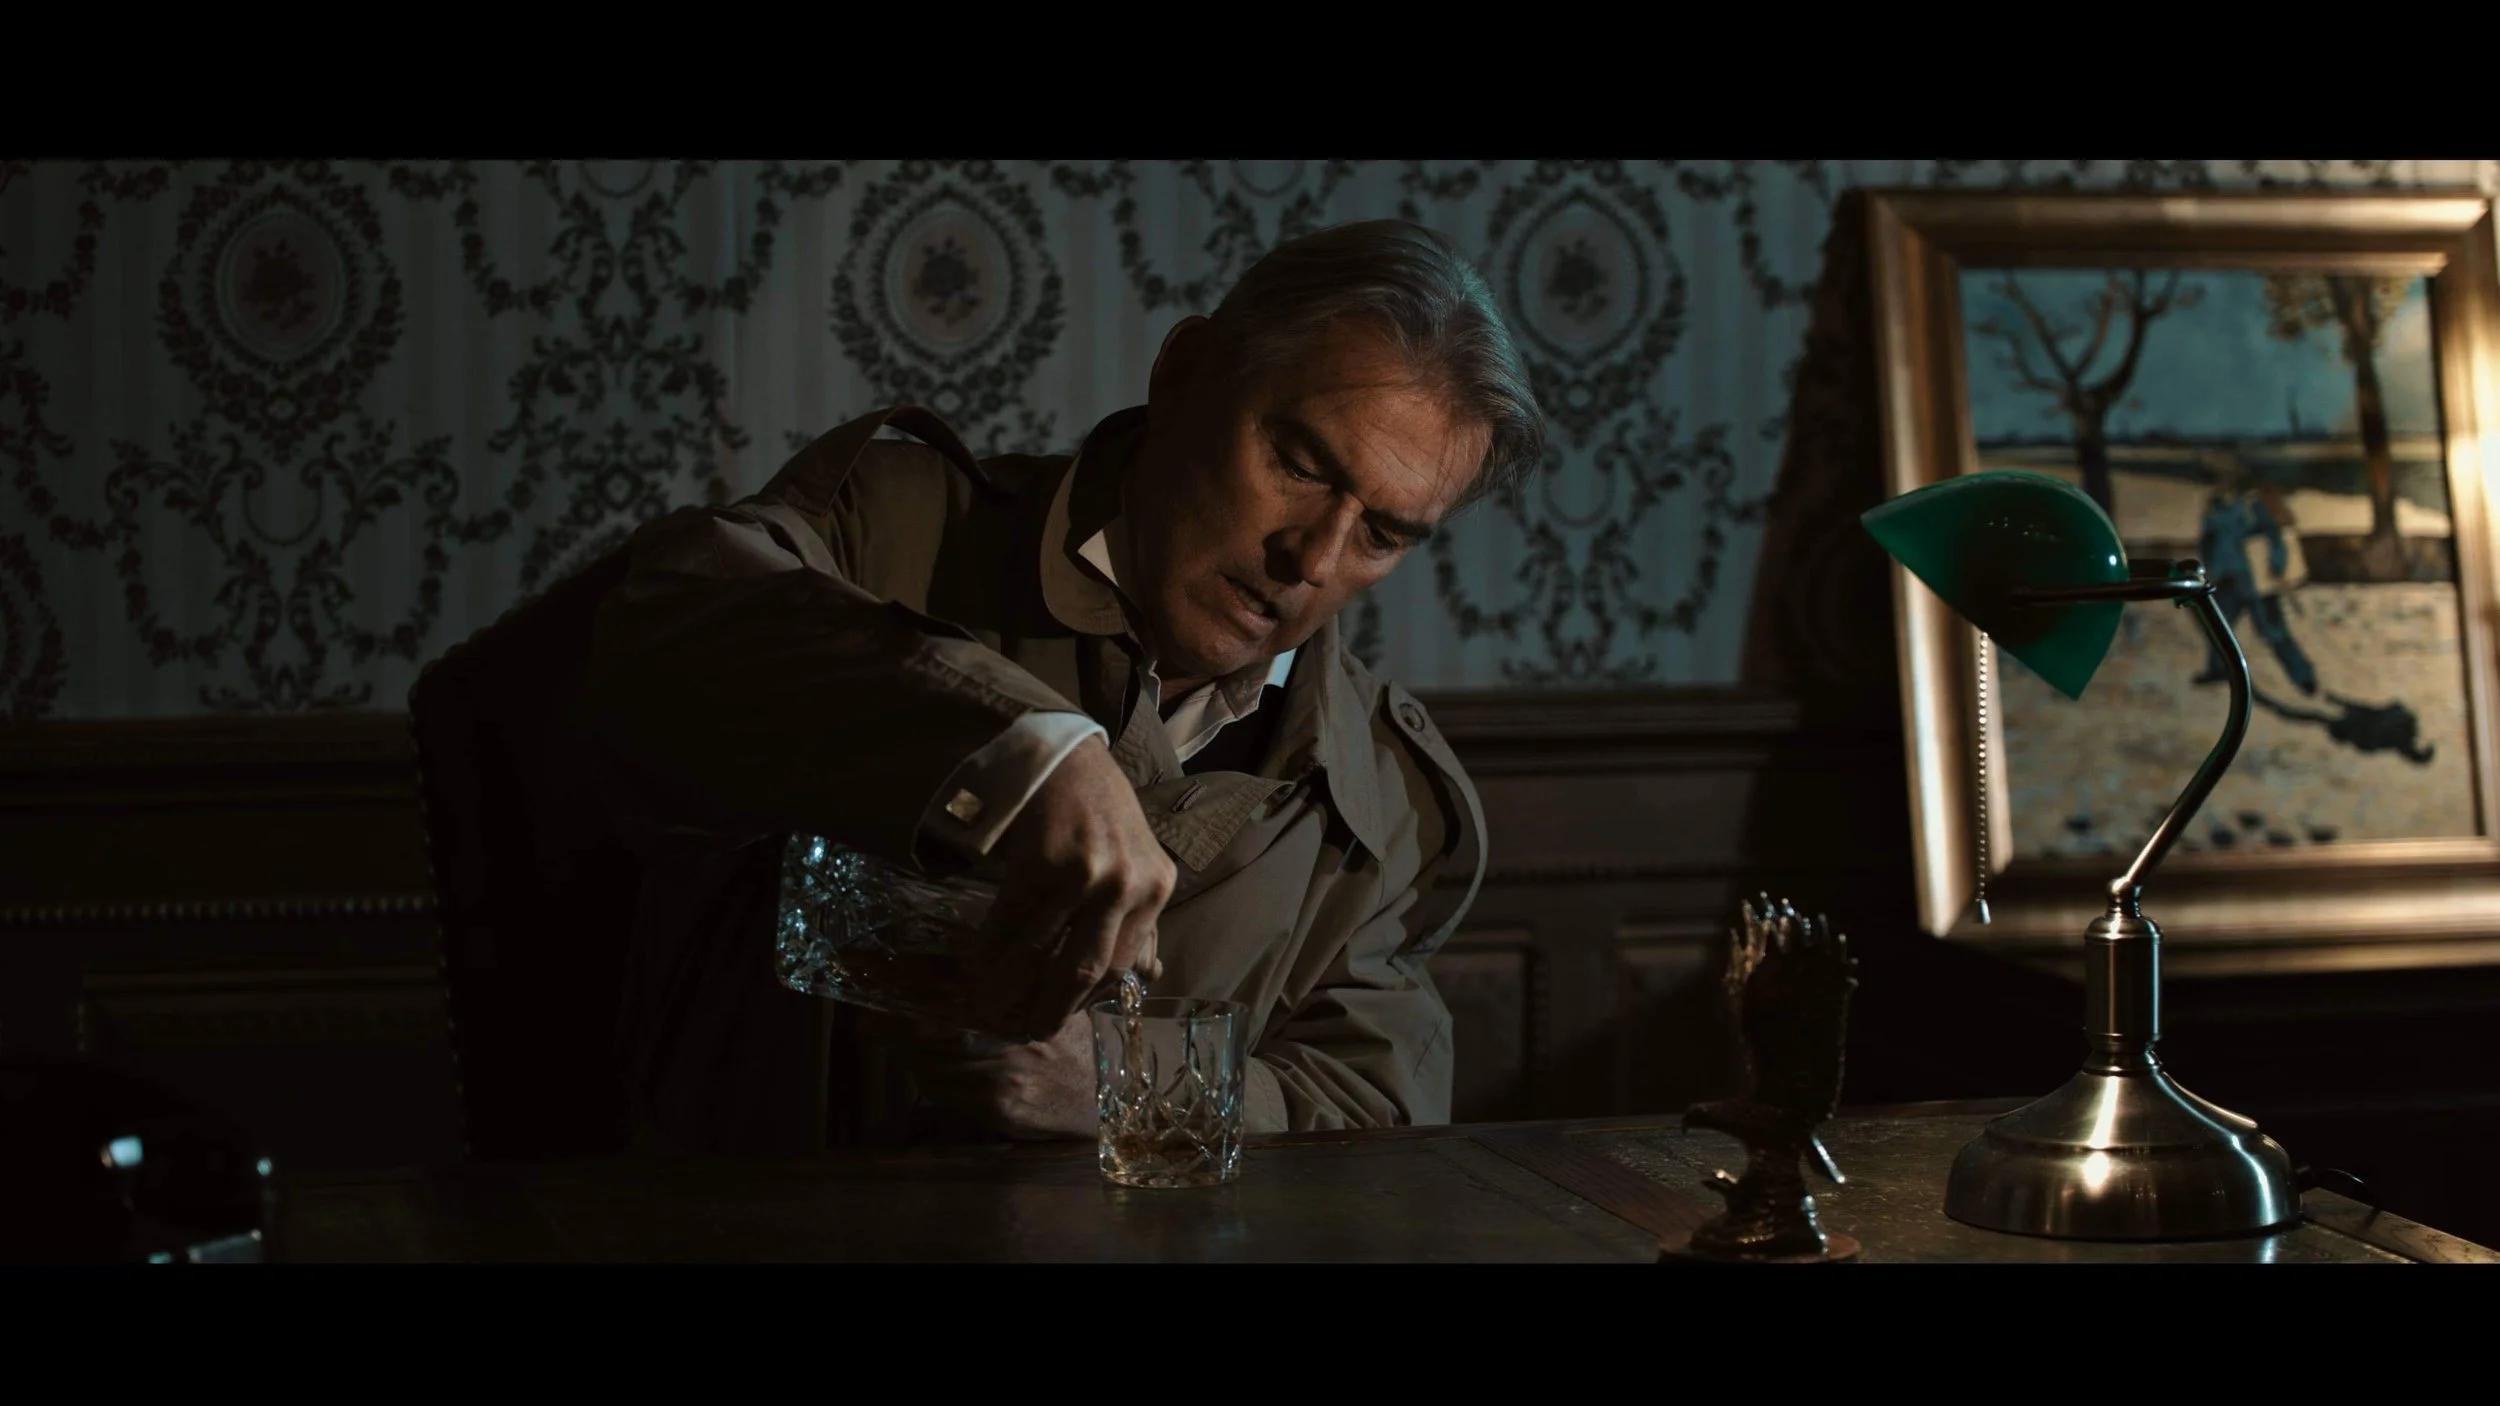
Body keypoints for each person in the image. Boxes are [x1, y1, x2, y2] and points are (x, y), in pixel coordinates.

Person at [575, 220, 1546, 1151]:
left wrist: (1125, 1081)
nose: (1315, 558)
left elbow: (1373, 1117)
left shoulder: (1384, 790)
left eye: (1382, 534)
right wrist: (1027, 750)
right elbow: (664, 631)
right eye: (1298, 464)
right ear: (1183, 374)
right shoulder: (893, 530)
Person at [2194, 450, 2318, 695]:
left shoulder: (2252, 505)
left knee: (2273, 631)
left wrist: (2276, 565)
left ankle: (2304, 677)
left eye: (2224, 477)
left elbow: (2273, 536)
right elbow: (2207, 540)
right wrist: (2209, 566)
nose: (2221, 482)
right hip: (2227, 578)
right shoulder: (2214, 507)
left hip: (2256, 581)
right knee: (2218, 624)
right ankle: (2217, 668)